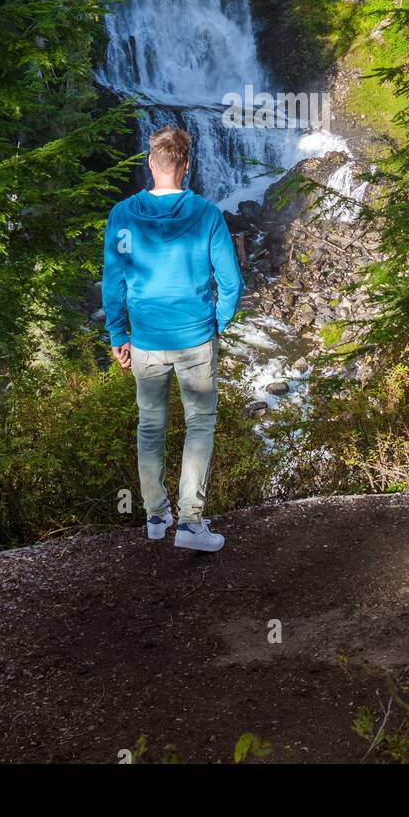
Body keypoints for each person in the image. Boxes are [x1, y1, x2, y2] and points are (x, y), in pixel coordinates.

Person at [101, 124, 243, 552]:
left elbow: (113, 283)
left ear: (151, 163)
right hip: (195, 338)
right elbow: (231, 282)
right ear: (187, 164)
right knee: (199, 424)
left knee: (150, 426)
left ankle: (156, 516)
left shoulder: (123, 216)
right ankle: (191, 522)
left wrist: (117, 332)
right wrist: (216, 322)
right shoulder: (206, 214)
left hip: (145, 341)